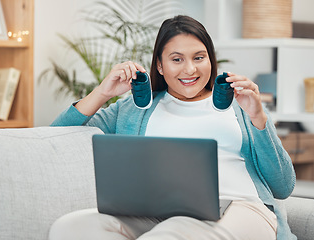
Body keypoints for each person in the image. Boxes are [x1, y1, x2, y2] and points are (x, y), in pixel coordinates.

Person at [49, 15, 296, 240]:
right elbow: (56, 134)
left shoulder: (241, 106)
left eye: (199, 57)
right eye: (177, 59)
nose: (190, 69)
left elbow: (283, 186)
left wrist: (258, 116)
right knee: (70, 227)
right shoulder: (134, 110)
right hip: (160, 215)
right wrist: (103, 93)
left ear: (211, 60)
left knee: (171, 234)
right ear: (159, 66)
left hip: (242, 210)